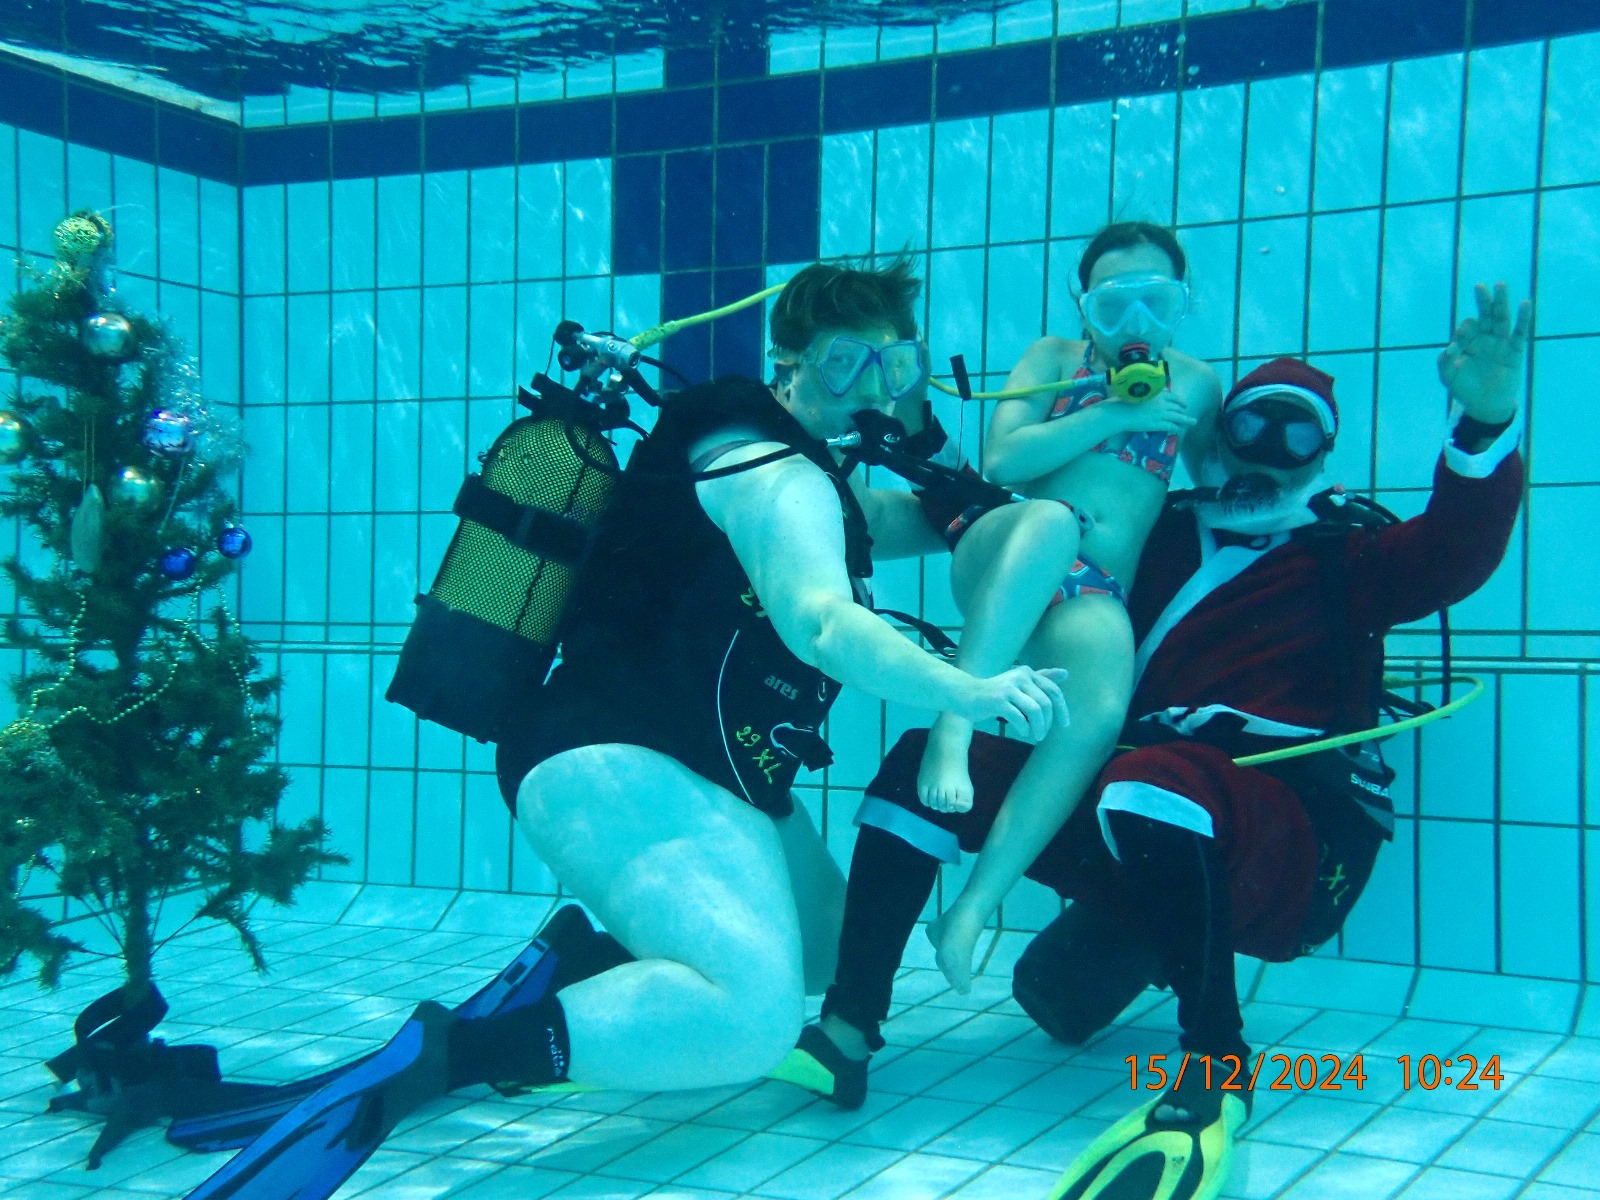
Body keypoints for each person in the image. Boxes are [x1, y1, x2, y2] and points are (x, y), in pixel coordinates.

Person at [175, 257, 1068, 1200]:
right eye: (846, 362)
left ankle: (581, 963)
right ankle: (453, 1056)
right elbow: (819, 622)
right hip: (611, 756)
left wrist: (998, 474)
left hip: (688, 763)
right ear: (790, 361)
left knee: (825, 950)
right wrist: (966, 691)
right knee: (753, 1017)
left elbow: (930, 514)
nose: (867, 389)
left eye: (893, 365)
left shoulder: (791, 466)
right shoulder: (772, 475)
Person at [791, 283, 1528, 1200]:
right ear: (1213, 437)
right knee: (926, 770)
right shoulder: (1158, 534)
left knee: (1156, 782)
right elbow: (986, 505)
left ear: (1323, 453)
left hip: (1285, 840)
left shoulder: (1350, 557)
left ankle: (1216, 1064)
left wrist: (1485, 420)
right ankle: (848, 1027)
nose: (1269, 450)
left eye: (1297, 434)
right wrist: (898, 425)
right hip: (1133, 806)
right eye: (1251, 426)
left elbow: (1459, 547)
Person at [914, 221, 1222, 995]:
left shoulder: (1195, 384)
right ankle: (953, 729)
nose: (1135, 324)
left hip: (1091, 590)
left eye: (1156, 303)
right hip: (1008, 554)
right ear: (1084, 307)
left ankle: (970, 910)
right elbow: (1003, 461)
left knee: (1099, 711)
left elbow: (1222, 484)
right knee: (1053, 521)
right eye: (1114, 306)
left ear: (1182, 304)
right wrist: (1113, 414)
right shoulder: (1053, 359)